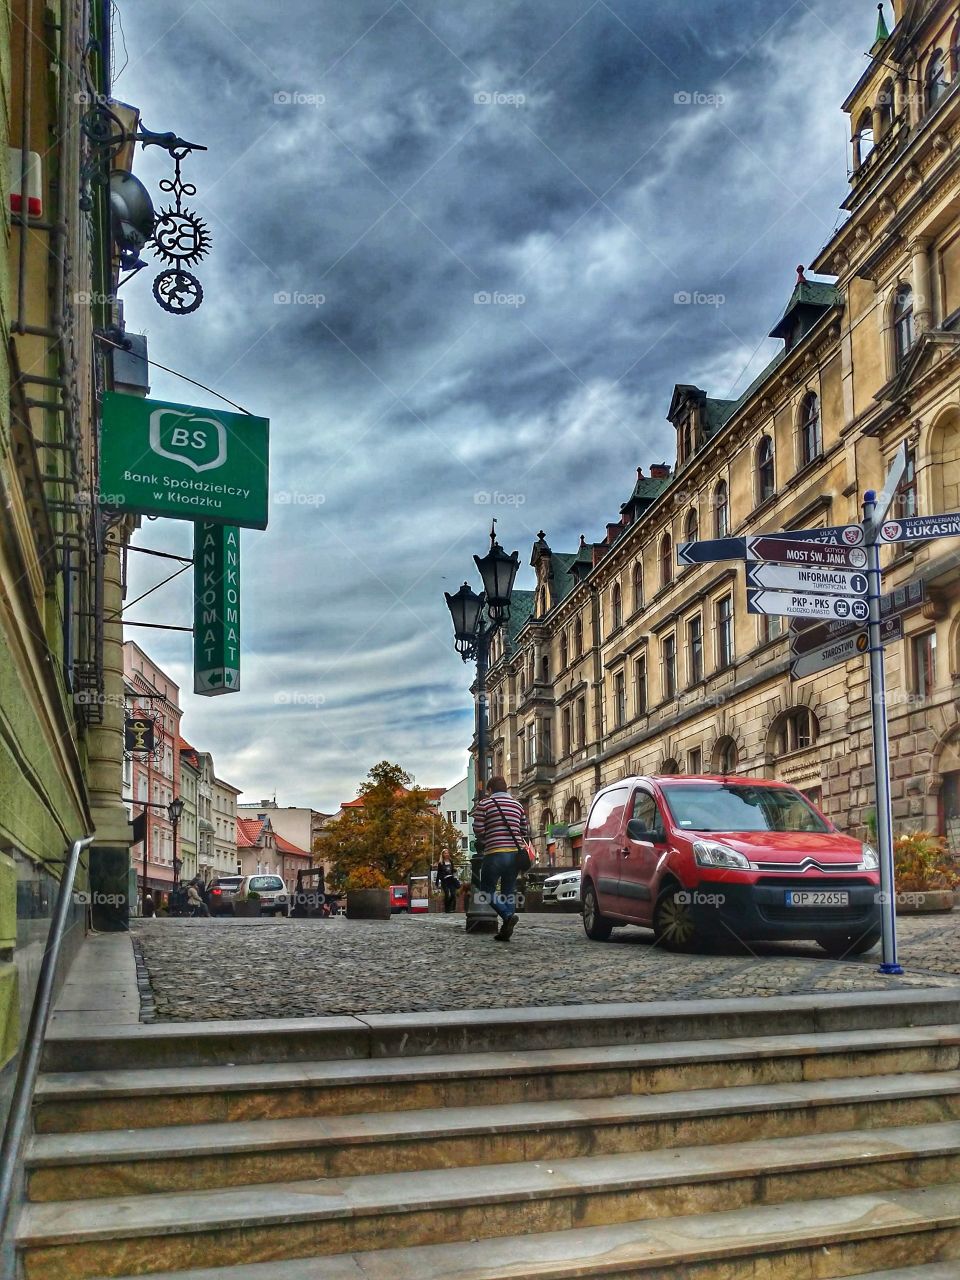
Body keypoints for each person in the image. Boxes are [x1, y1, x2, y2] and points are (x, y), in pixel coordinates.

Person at [473, 776, 529, 941]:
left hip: (495, 853)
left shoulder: (484, 804)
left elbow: (478, 830)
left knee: (486, 890)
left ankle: (506, 916)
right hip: (514, 855)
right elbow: (524, 830)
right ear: (505, 789)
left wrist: (489, 834)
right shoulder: (517, 805)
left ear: (490, 790)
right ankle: (506, 930)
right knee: (508, 893)